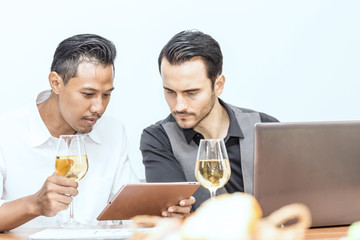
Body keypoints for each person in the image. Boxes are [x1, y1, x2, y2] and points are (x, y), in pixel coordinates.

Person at [0, 34, 193, 232]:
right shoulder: (6, 132)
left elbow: (130, 215)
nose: (98, 107)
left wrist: (164, 214)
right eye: (88, 94)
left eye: (107, 95)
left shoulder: (113, 132)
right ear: (56, 83)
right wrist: (34, 205)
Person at [140, 30, 278, 211]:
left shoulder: (265, 128)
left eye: (191, 93)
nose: (179, 106)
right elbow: (173, 216)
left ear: (218, 85)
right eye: (170, 92)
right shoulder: (158, 139)